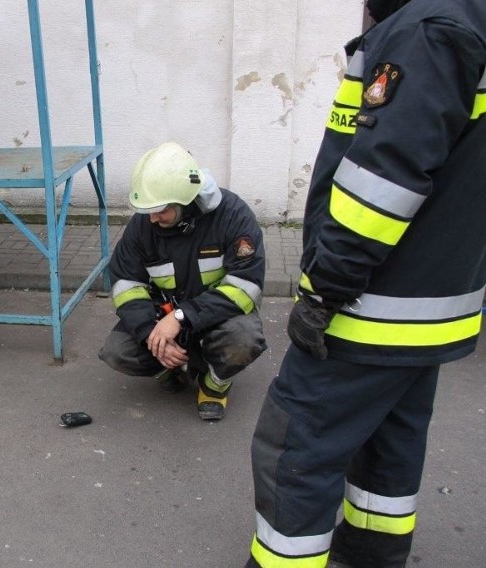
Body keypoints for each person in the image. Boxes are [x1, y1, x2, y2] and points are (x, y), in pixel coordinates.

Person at [245, 0, 486, 566]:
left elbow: (381, 182)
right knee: (390, 442)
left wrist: (325, 287)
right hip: (430, 304)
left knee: (296, 442)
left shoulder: (429, 30)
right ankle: (372, 554)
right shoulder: (467, 19)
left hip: (368, 304)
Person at [98, 141, 267, 422]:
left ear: (186, 200)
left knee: (244, 340)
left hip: (217, 318)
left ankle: (214, 386)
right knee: (117, 351)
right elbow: (126, 284)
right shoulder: (144, 224)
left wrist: (181, 316)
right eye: (148, 210)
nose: (151, 218)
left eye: (161, 210)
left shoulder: (233, 216)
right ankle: (173, 367)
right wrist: (149, 336)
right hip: (163, 318)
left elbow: (245, 286)